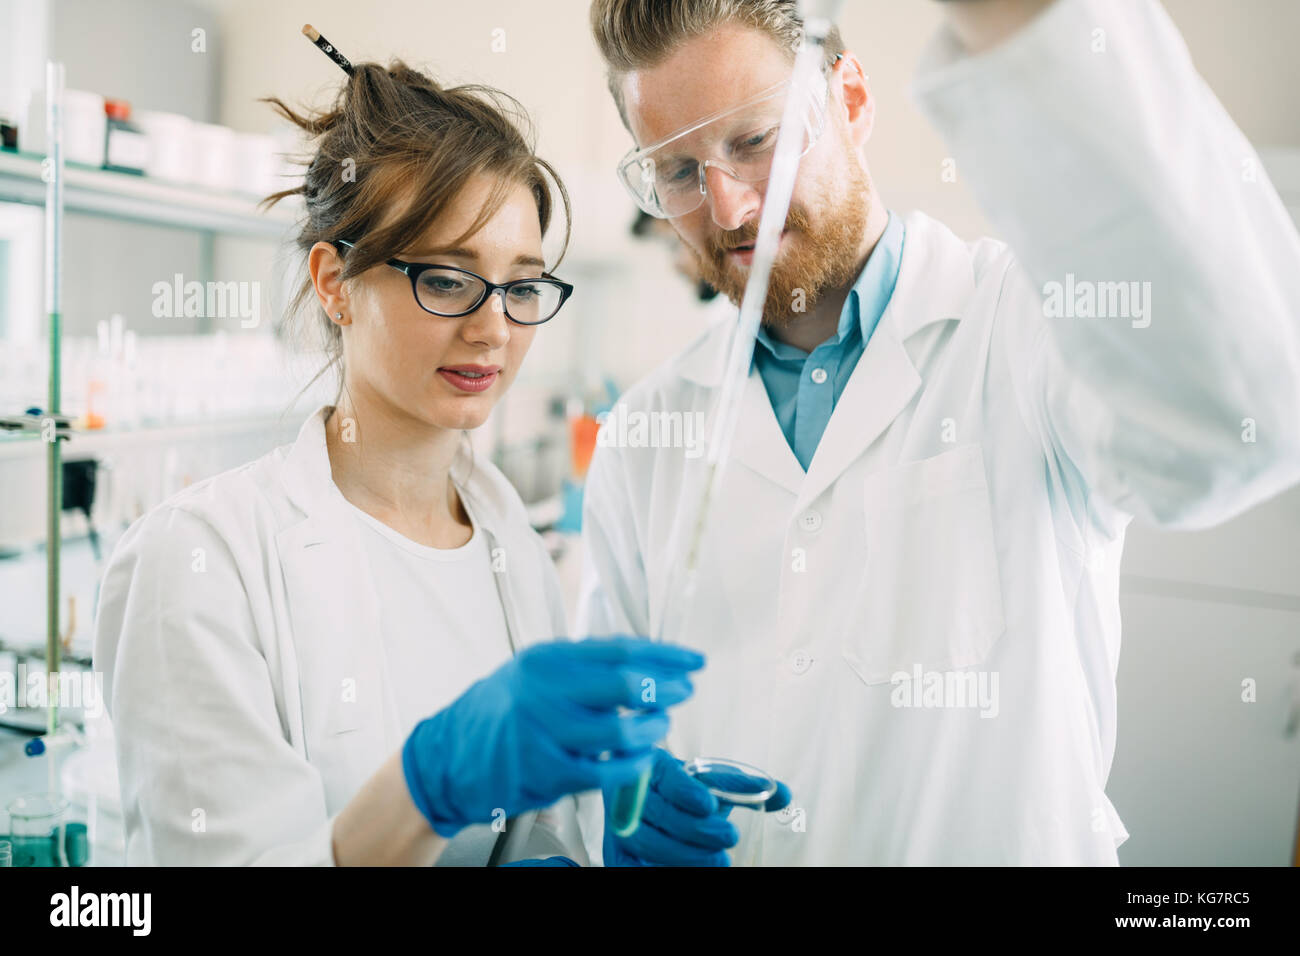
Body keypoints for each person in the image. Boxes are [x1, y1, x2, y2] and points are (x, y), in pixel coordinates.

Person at [578, 0, 1300, 865]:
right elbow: (611, 715)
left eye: (754, 140)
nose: (730, 209)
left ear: (848, 102)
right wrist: (613, 794)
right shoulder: (643, 434)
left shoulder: (1027, 329)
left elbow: (1236, 430)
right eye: (679, 170)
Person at [92, 60, 709, 866]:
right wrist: (425, 785)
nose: (494, 329)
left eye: (522, 287)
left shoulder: (509, 546)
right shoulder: (201, 560)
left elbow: (528, 837)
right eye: (449, 280)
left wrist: (592, 830)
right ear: (334, 283)